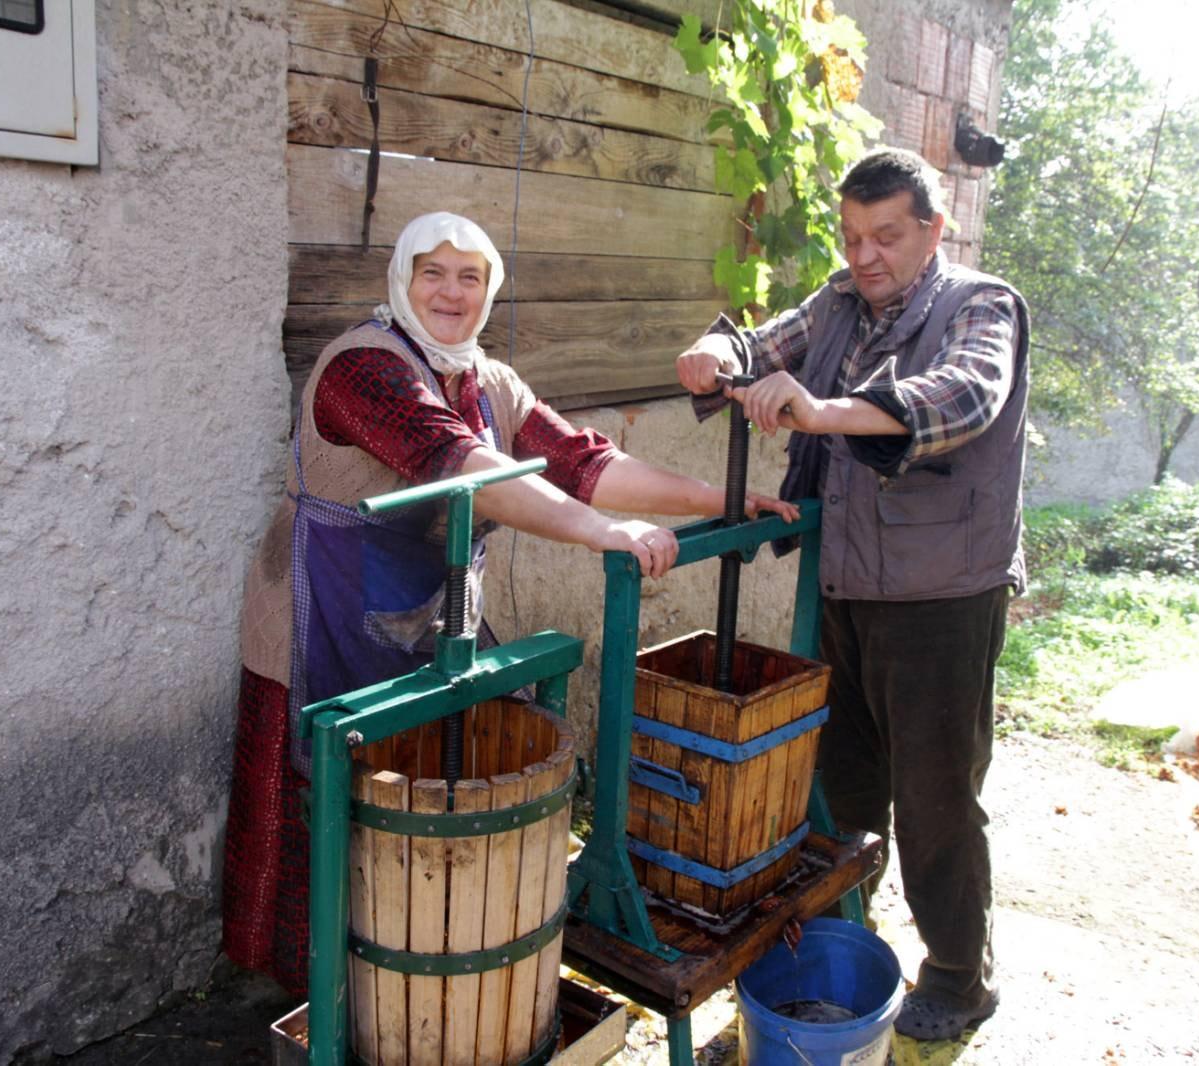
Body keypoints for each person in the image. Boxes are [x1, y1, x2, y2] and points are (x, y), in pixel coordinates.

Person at [223, 211, 796, 996]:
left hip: (425, 610)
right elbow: (461, 464)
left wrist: (720, 499)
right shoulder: (364, 367)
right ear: (402, 278)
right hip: (318, 608)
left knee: (423, 786)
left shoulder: (486, 379)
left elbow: (580, 462)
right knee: (317, 801)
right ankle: (315, 999)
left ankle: (416, 976)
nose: (452, 292)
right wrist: (604, 534)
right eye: (433, 272)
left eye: (471, 276)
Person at [675, 147, 1029, 1041]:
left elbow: (961, 398)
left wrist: (823, 410)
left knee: (939, 794)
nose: (865, 256)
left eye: (887, 236)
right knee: (845, 780)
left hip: (945, 596)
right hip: (845, 583)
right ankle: (844, 942)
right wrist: (719, 351)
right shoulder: (837, 303)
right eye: (852, 235)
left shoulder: (981, 306)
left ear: (933, 231)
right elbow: (766, 345)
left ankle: (956, 973)